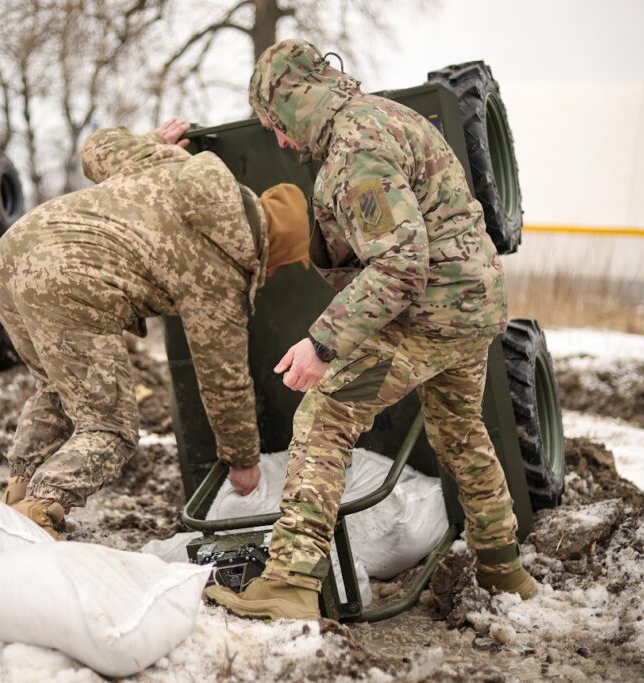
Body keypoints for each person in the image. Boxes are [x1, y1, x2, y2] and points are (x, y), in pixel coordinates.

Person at [205, 40, 535, 620]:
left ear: (294, 103)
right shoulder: (387, 117)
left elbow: (401, 264)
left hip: (430, 317)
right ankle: (503, 567)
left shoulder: (355, 148)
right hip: (472, 308)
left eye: (276, 125)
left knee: (325, 415)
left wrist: (322, 343)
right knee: (460, 432)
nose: (280, 142)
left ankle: (290, 581)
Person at [0, 118, 310, 538]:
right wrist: (243, 460)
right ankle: (41, 508)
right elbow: (223, 379)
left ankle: (17, 492)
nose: (273, 272)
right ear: (273, 250)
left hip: (12, 255)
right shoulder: (221, 271)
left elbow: (97, 147)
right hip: (70, 280)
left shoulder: (172, 162)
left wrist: (153, 140)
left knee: (57, 389)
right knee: (110, 427)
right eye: (281, 263)